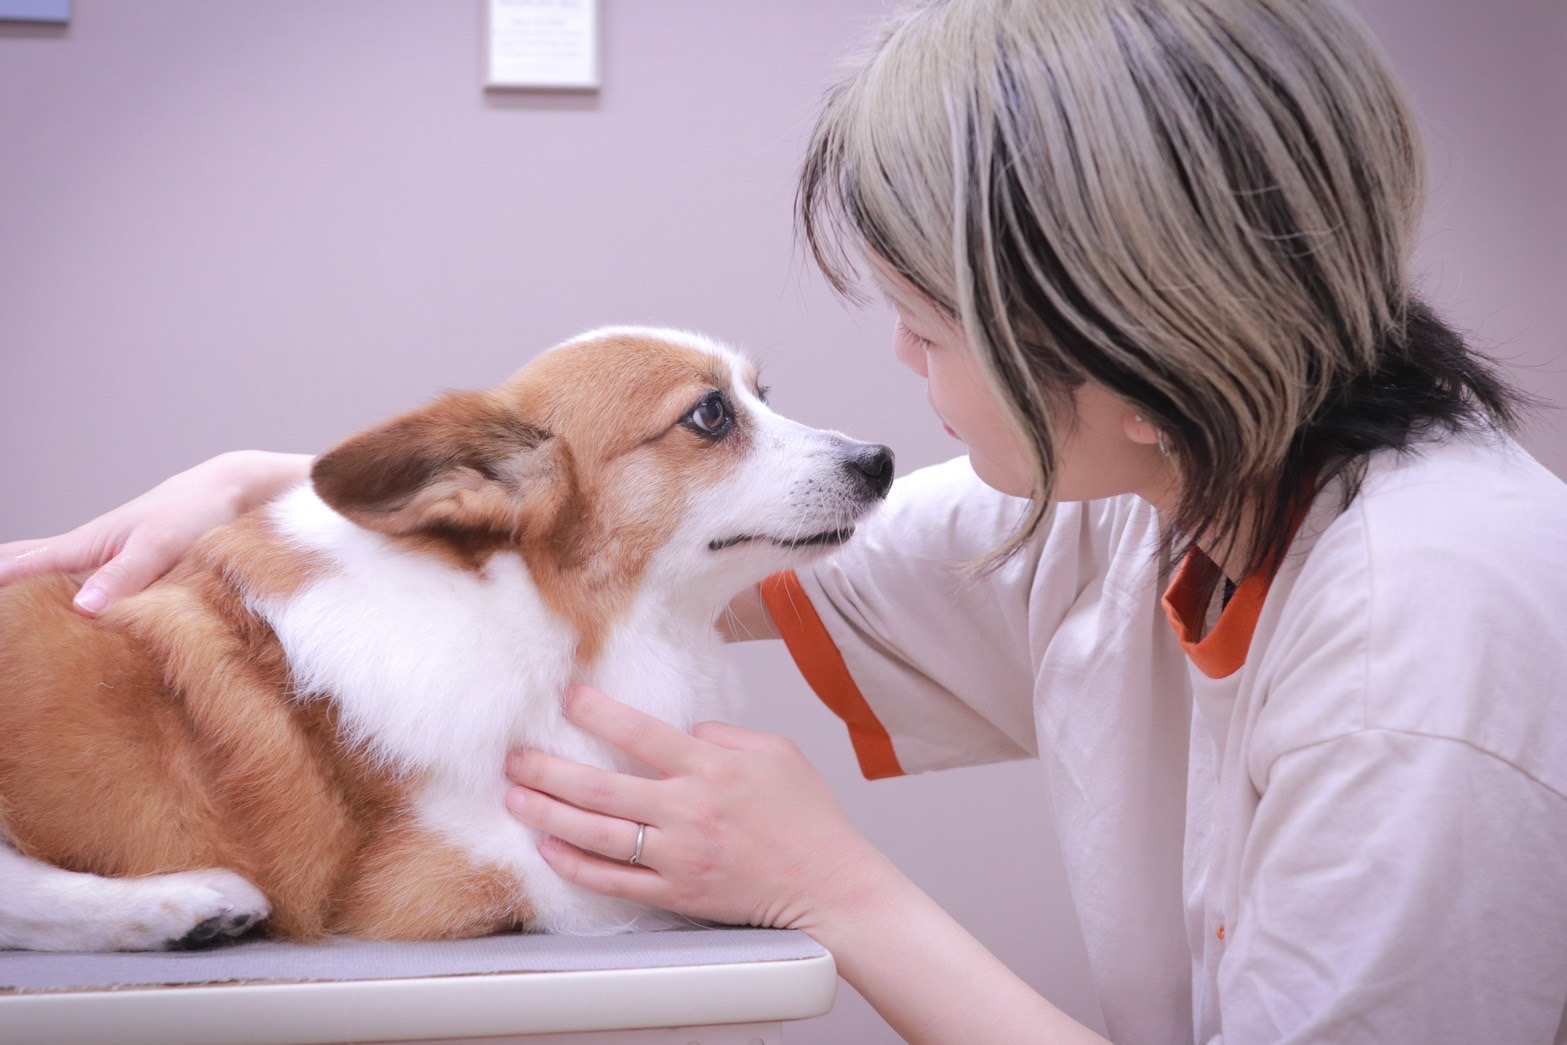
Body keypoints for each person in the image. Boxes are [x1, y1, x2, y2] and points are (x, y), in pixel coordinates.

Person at [4, 0, 1565, 1041]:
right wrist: (281, 497)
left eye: (930, 322)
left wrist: (837, 892)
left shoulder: (1429, 635)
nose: (899, 376)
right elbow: (624, 552)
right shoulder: (1135, 502)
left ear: (1137, 345)